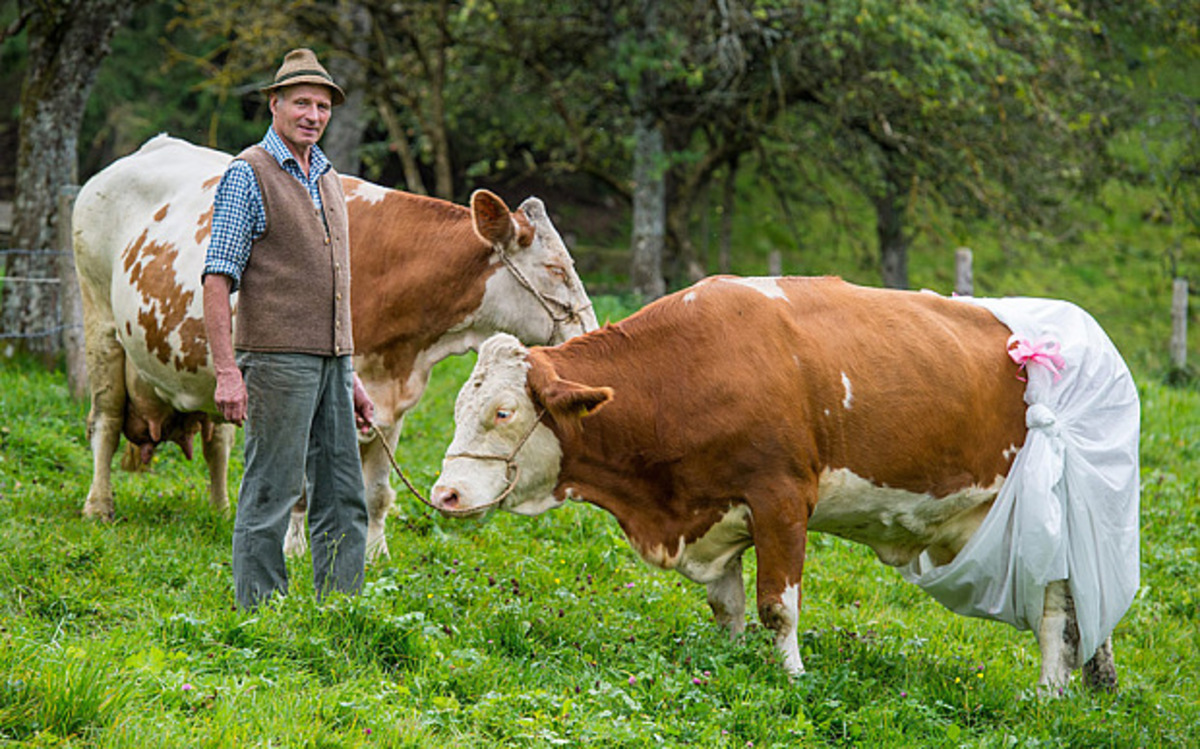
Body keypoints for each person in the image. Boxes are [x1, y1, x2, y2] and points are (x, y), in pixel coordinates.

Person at [202, 48, 375, 611]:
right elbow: (216, 278)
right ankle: (259, 613)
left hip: (332, 360)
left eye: (323, 105)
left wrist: (349, 373)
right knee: (272, 490)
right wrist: (228, 372)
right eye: (302, 102)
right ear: (275, 104)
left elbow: (333, 281)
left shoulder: (325, 176)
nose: (314, 114)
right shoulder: (247, 174)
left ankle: (339, 608)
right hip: (275, 359)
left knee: (344, 493)